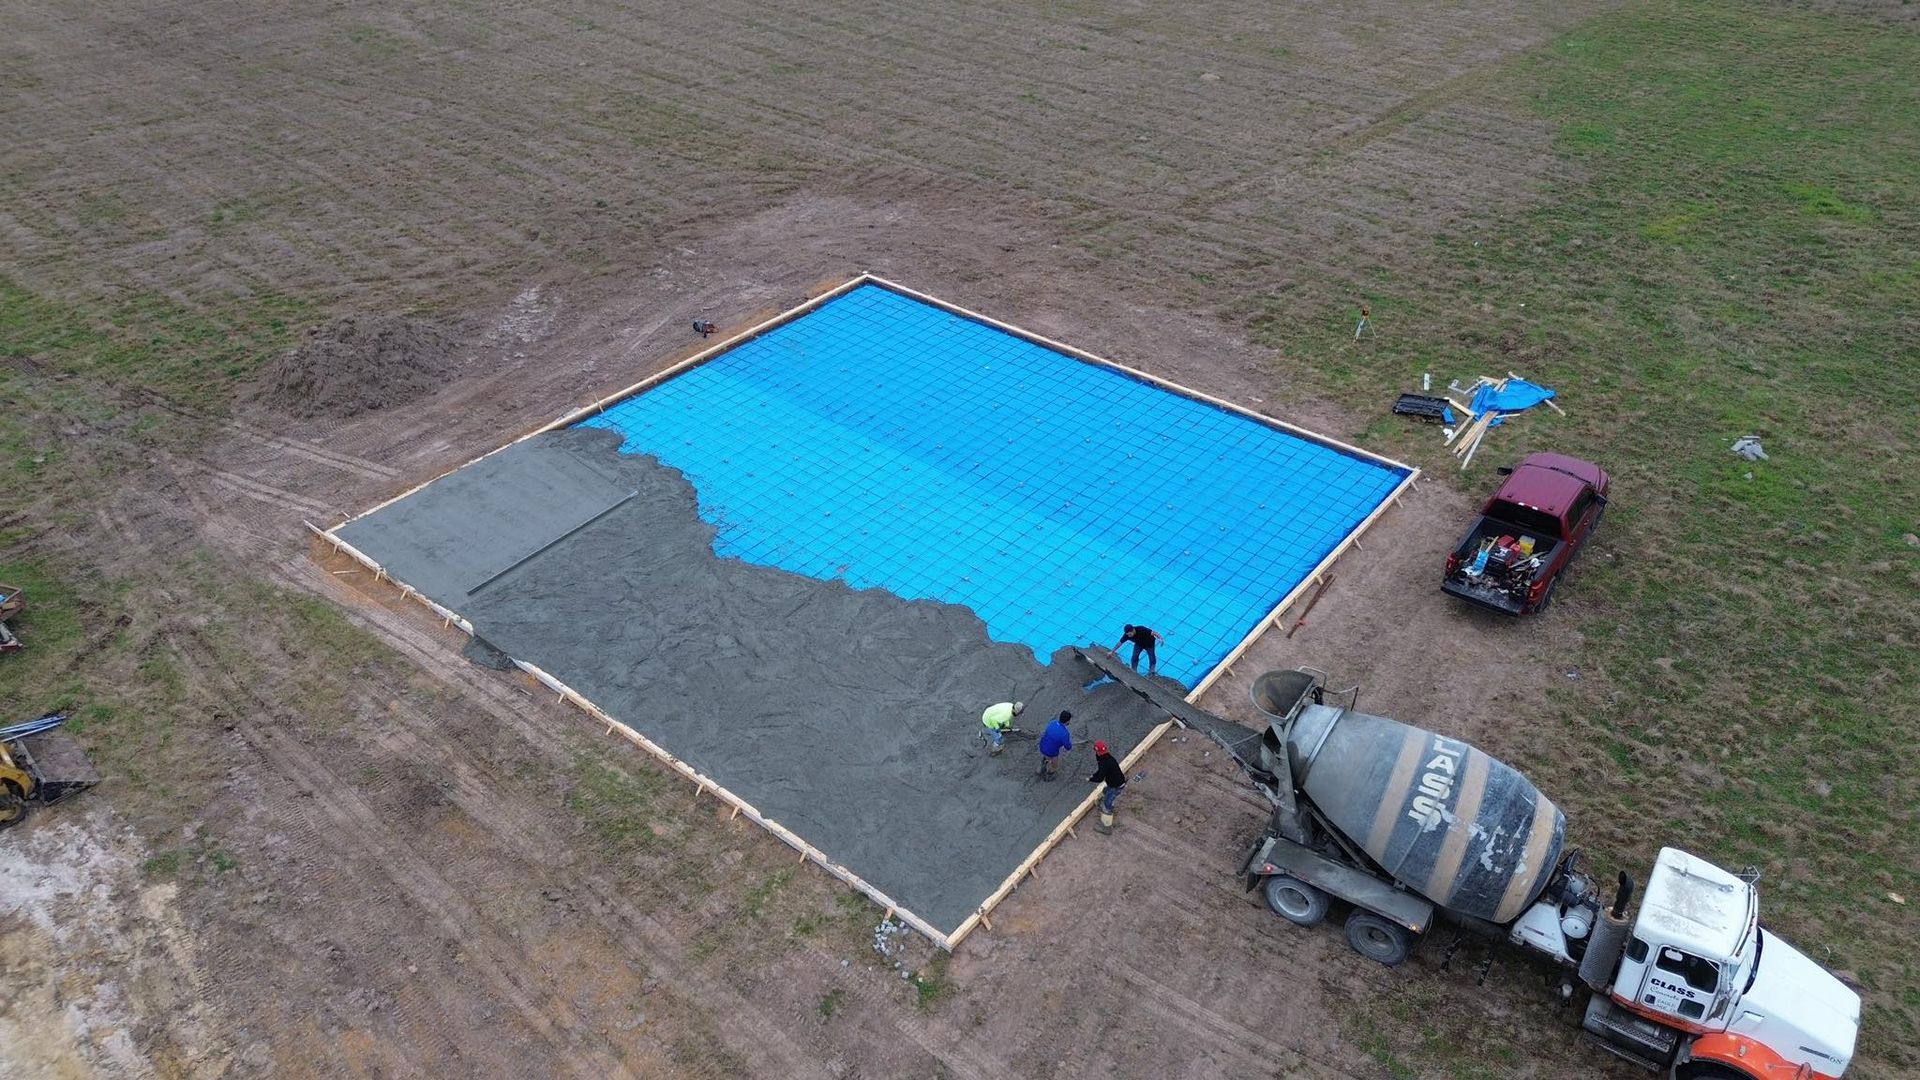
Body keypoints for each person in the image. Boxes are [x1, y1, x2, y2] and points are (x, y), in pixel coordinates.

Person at [1087, 740, 1127, 832]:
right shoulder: (1109, 758)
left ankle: (1106, 827)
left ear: (1097, 751)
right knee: (1105, 791)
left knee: (1106, 805)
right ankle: (1108, 802)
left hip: (1116, 786)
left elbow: (1100, 778)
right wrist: (1093, 776)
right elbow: (1101, 772)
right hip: (1117, 782)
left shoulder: (1103, 763)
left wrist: (1091, 779)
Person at [1037, 710, 1072, 780]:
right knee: (1055, 764)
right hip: (1052, 752)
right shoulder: (1065, 734)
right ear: (1068, 721)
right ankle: (1050, 774)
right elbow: (1068, 747)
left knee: (1047, 752)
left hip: (1042, 745)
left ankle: (1043, 763)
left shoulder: (1052, 723)